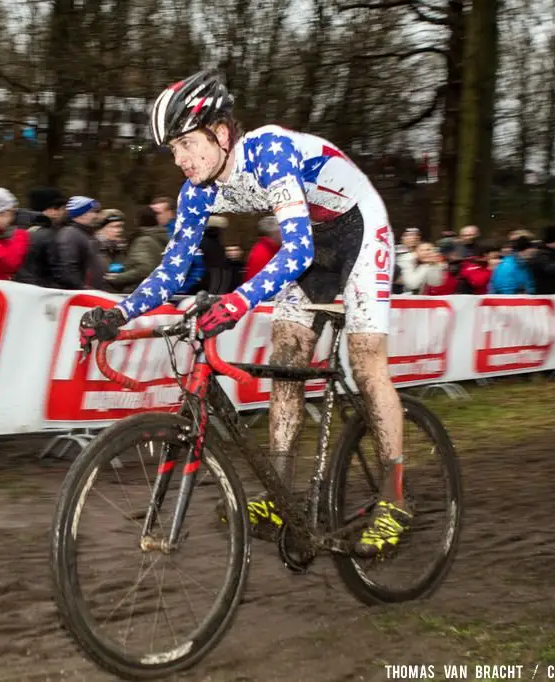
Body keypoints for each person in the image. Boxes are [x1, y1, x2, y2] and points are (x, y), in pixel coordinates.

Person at [77, 69, 407, 557]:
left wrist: (235, 303)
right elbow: (170, 273)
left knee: (365, 358)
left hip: (358, 228)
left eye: (189, 143)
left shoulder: (269, 150)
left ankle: (396, 501)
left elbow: (293, 253)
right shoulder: (198, 193)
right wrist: (118, 314)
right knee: (288, 355)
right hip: (311, 245)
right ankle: (280, 497)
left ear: (223, 133)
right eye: (174, 150)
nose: (182, 159)